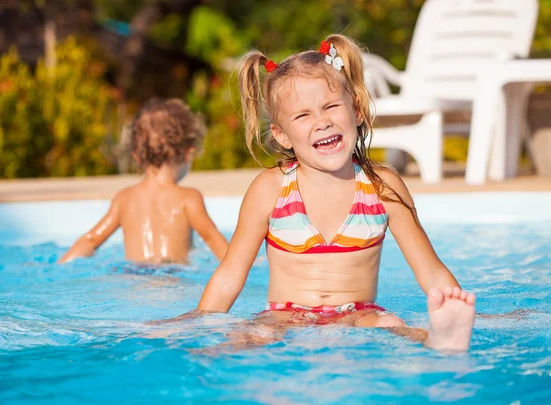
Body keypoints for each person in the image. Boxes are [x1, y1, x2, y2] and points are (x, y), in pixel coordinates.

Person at [190, 34, 476, 351]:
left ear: (356, 110)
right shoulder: (270, 189)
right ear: (281, 134)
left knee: (392, 324)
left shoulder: (382, 187)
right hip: (286, 316)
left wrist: (458, 307)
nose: (322, 122)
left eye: (331, 107)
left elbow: (431, 271)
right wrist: (197, 323)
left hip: (358, 315)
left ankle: (444, 339)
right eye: (303, 115)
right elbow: (230, 274)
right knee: (252, 334)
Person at [59, 98, 228, 265]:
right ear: (188, 153)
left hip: (135, 274)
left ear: (136, 155)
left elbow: (91, 240)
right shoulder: (189, 198)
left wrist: (62, 265)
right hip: (172, 275)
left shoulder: (124, 199)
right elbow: (212, 238)